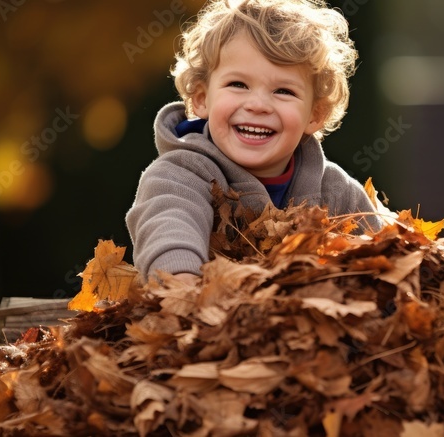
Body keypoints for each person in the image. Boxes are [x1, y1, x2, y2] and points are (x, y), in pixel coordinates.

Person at [126, 0, 380, 282]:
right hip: (210, 317)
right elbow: (170, 225)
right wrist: (181, 284)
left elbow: (384, 261)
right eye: (238, 85)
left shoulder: (336, 191)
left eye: (283, 91)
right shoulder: (179, 175)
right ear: (201, 98)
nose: (258, 105)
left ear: (315, 114)